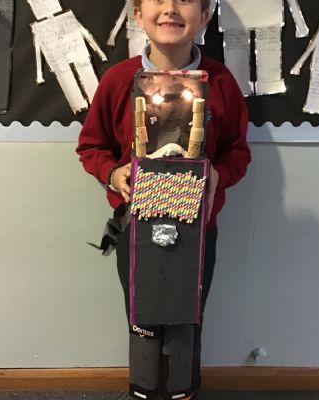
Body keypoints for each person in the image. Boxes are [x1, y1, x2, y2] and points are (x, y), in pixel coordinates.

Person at [76, 0, 251, 398]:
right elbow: (91, 147)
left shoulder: (221, 82)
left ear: (204, 17)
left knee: (187, 320)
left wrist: (218, 174)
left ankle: (182, 391)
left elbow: (238, 152)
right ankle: (144, 390)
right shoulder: (119, 80)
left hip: (197, 230)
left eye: (185, 0)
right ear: (138, 14)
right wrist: (112, 173)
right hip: (136, 228)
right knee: (143, 318)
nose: (170, 8)